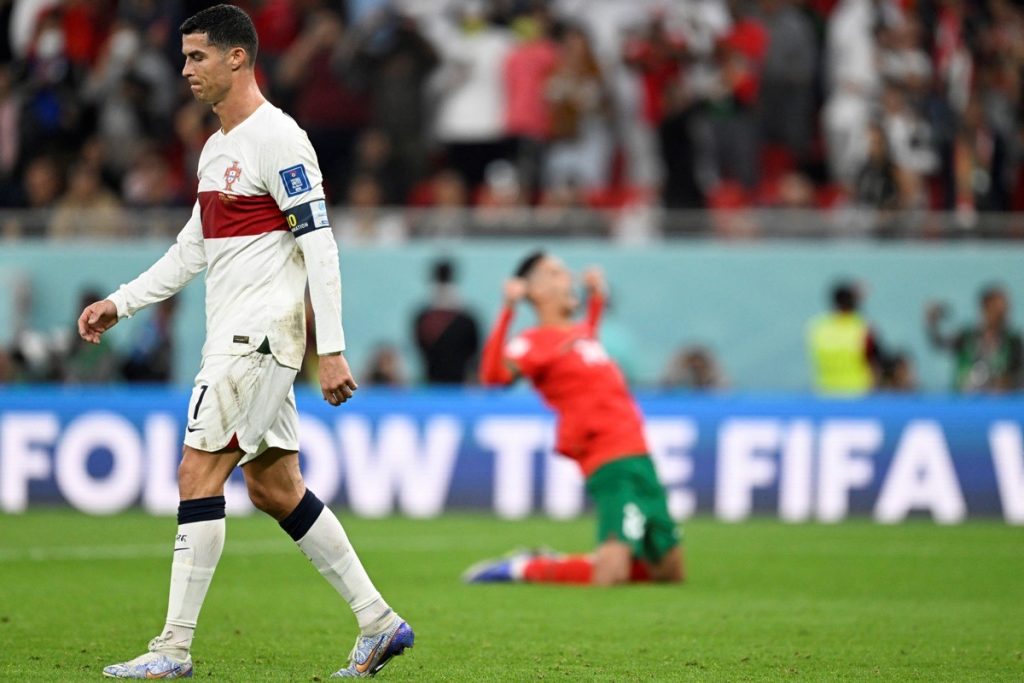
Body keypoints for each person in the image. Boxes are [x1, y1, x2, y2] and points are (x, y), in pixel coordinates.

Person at [76, 6, 412, 679]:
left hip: (255, 338)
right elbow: (190, 249)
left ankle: (172, 648)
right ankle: (379, 622)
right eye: (184, 56)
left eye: (197, 55)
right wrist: (122, 301)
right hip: (238, 338)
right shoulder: (216, 148)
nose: (185, 69)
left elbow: (320, 244)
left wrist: (335, 347)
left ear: (238, 58)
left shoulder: (279, 139)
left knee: (197, 473)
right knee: (274, 485)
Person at [465, 251, 684, 586]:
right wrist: (508, 308)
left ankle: (573, 562)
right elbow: (494, 376)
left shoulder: (581, 335)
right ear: (534, 291)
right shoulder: (533, 342)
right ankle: (528, 568)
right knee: (610, 574)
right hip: (608, 458)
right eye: (555, 273)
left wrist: (598, 298)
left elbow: (582, 336)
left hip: (640, 454)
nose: (568, 278)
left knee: (669, 571)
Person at [926, 286, 1022, 393]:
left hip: (1000, 404)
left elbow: (1018, 374)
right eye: (998, 311)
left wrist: (1006, 383)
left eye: (1005, 311)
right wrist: (932, 324)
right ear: (985, 308)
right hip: (965, 403)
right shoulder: (967, 337)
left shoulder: (1013, 342)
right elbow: (941, 343)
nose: (1003, 316)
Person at [806, 281, 882, 396]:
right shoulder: (862, 328)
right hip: (857, 393)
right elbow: (875, 362)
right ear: (855, 303)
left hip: (824, 392)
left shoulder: (817, 327)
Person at [412, 258, 480, 384]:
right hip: (451, 379)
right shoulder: (465, 319)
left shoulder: (423, 318)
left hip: (439, 379)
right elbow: (473, 349)